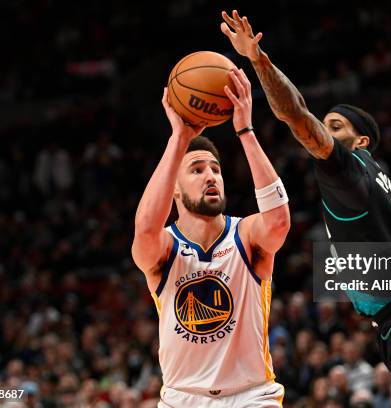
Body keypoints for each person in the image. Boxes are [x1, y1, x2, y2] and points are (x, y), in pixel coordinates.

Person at [221, 9, 391, 407]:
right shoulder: (381, 180)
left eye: (335, 126)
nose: (324, 131)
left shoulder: (348, 170)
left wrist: (257, 58)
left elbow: (294, 113)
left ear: (362, 141)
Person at [132, 67, 290, 407]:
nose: (211, 176)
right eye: (197, 169)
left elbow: (278, 222)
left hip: (252, 396)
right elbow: (144, 229)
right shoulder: (164, 248)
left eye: (215, 169)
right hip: (181, 398)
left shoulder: (245, 234)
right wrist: (179, 140)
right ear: (173, 188)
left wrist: (245, 131)